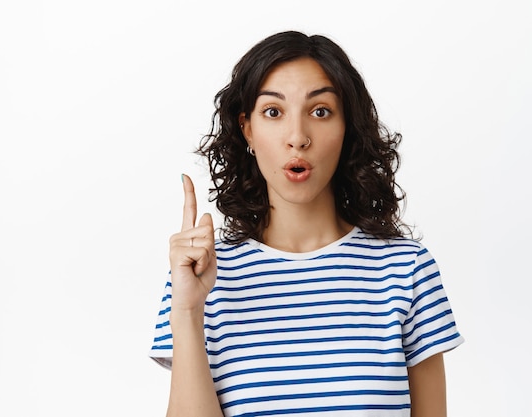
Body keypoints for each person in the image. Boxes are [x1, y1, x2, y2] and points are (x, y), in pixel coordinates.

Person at [150, 31, 464, 417]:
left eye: (320, 111)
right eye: (273, 112)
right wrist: (186, 312)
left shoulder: (406, 270)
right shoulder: (200, 280)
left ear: (347, 126)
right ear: (247, 128)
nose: (297, 138)